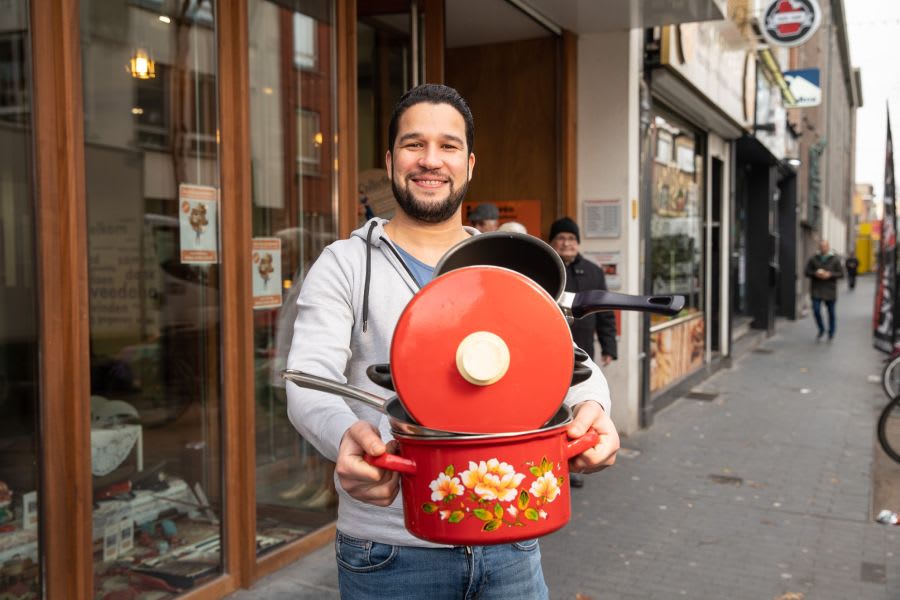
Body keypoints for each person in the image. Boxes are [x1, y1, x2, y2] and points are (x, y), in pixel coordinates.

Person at [285, 84, 619, 599]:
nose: (430, 160)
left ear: (469, 163)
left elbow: (569, 362)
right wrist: (344, 435)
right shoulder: (345, 264)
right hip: (388, 551)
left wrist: (594, 407)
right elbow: (308, 382)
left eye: (448, 146)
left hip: (511, 536)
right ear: (391, 159)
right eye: (414, 144)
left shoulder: (506, 265)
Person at [548, 216, 618, 489]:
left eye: (571, 239)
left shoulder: (592, 271)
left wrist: (609, 347)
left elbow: (606, 313)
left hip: (583, 349)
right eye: (561, 238)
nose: (566, 243)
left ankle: (574, 460)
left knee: (580, 408)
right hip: (548, 357)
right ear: (552, 242)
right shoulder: (544, 269)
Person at [804, 239, 844, 341]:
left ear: (828, 247)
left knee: (831, 313)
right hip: (816, 289)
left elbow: (841, 274)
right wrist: (815, 273)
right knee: (816, 310)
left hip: (830, 290)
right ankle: (821, 329)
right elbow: (807, 272)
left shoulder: (835, 259)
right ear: (819, 247)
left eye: (825, 246)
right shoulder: (813, 258)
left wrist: (830, 274)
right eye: (821, 246)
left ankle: (831, 332)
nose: (823, 248)